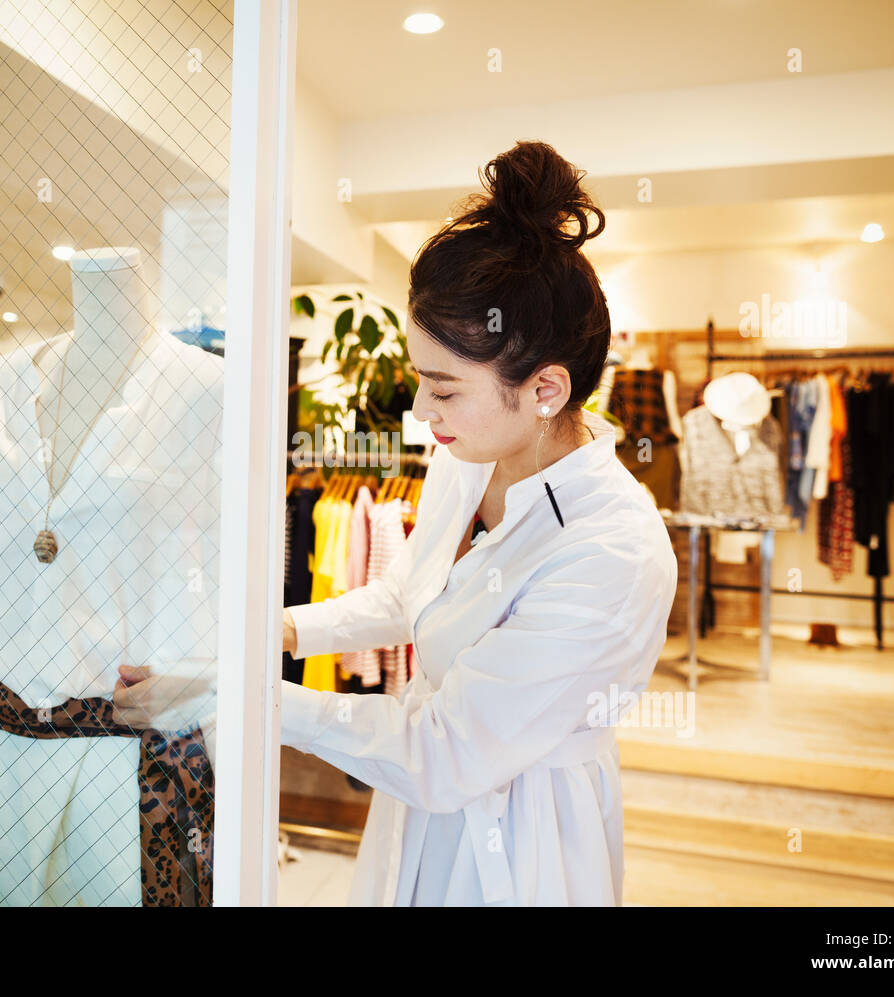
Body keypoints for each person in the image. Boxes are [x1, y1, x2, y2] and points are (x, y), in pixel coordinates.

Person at [278, 140, 678, 905]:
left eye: (445, 390)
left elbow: (445, 752)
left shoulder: (613, 548)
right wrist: (287, 631)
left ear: (546, 388)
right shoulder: (469, 458)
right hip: (416, 808)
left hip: (526, 838)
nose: (423, 416)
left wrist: (252, 699)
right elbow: (409, 597)